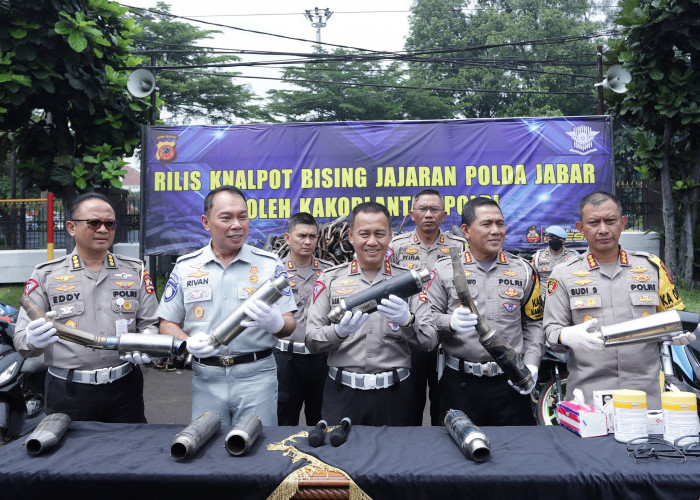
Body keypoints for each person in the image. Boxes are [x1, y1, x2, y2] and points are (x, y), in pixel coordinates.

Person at [544, 191, 698, 409]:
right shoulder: (563, 274)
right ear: (580, 228)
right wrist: (566, 335)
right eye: (594, 222)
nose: (603, 229)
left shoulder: (651, 267)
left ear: (623, 223)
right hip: (589, 399)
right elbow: (551, 332)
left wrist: (679, 333)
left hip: (646, 397)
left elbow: (676, 317)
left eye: (610, 221)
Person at [157, 186, 296, 426]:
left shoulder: (269, 265)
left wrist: (275, 324)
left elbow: (289, 324)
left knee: (258, 447)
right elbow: (167, 323)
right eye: (226, 217)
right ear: (206, 222)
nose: (237, 225)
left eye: (243, 216)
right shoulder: (186, 267)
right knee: (206, 447)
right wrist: (186, 342)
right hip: (206, 378)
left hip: (257, 376)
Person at [13, 193, 158, 422]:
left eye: (109, 224)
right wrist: (33, 339)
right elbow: (22, 339)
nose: (103, 229)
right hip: (68, 390)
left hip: (124, 387)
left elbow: (150, 324)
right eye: (94, 222)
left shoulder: (135, 271)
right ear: (71, 227)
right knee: (68, 456)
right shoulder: (46, 274)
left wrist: (147, 345)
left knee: (130, 454)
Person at [305, 202, 437, 426]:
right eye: (364, 233)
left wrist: (407, 321)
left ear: (390, 236)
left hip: (395, 396)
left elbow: (429, 341)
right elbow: (312, 340)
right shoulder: (329, 280)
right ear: (351, 236)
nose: (372, 241)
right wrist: (337, 332)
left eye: (379, 233)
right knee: (340, 459)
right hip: (343, 395)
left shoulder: (408, 283)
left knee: (396, 459)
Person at [427, 197, 544, 426]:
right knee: (456, 454)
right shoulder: (444, 269)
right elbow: (427, 317)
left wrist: (531, 363)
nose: (495, 231)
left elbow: (534, 323)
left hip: (510, 382)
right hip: (459, 384)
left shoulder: (524, 270)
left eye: (500, 224)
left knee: (516, 452)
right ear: (466, 231)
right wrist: (449, 321)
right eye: (486, 224)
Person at [388, 188, 466, 426]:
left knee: (445, 404)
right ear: (413, 215)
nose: (429, 214)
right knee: (409, 403)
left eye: (434, 209)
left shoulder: (459, 247)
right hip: (412, 334)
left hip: (448, 335)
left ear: (444, 215)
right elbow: (387, 284)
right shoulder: (397, 246)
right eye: (423, 209)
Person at [275, 212, 333, 425]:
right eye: (301, 236)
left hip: (321, 358)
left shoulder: (328, 272)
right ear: (288, 238)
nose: (308, 241)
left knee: (321, 419)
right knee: (284, 418)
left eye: (312, 236)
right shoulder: (275, 273)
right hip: (286, 358)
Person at [531, 225, 579, 302]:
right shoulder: (538, 257)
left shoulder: (574, 256)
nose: (554, 240)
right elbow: (532, 280)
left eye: (557, 238)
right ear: (547, 239)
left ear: (564, 240)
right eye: (551, 238)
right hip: (543, 299)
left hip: (566, 299)